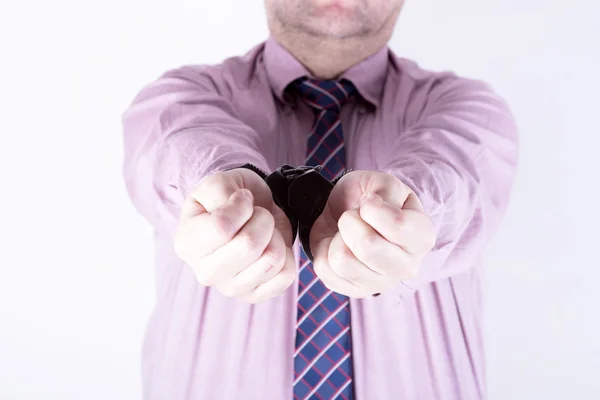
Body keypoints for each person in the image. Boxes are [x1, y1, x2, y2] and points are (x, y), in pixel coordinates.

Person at [121, 0, 519, 398]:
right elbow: (178, 145)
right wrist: (219, 192)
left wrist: (407, 214)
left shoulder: (470, 110)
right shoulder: (176, 99)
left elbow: (457, 174)